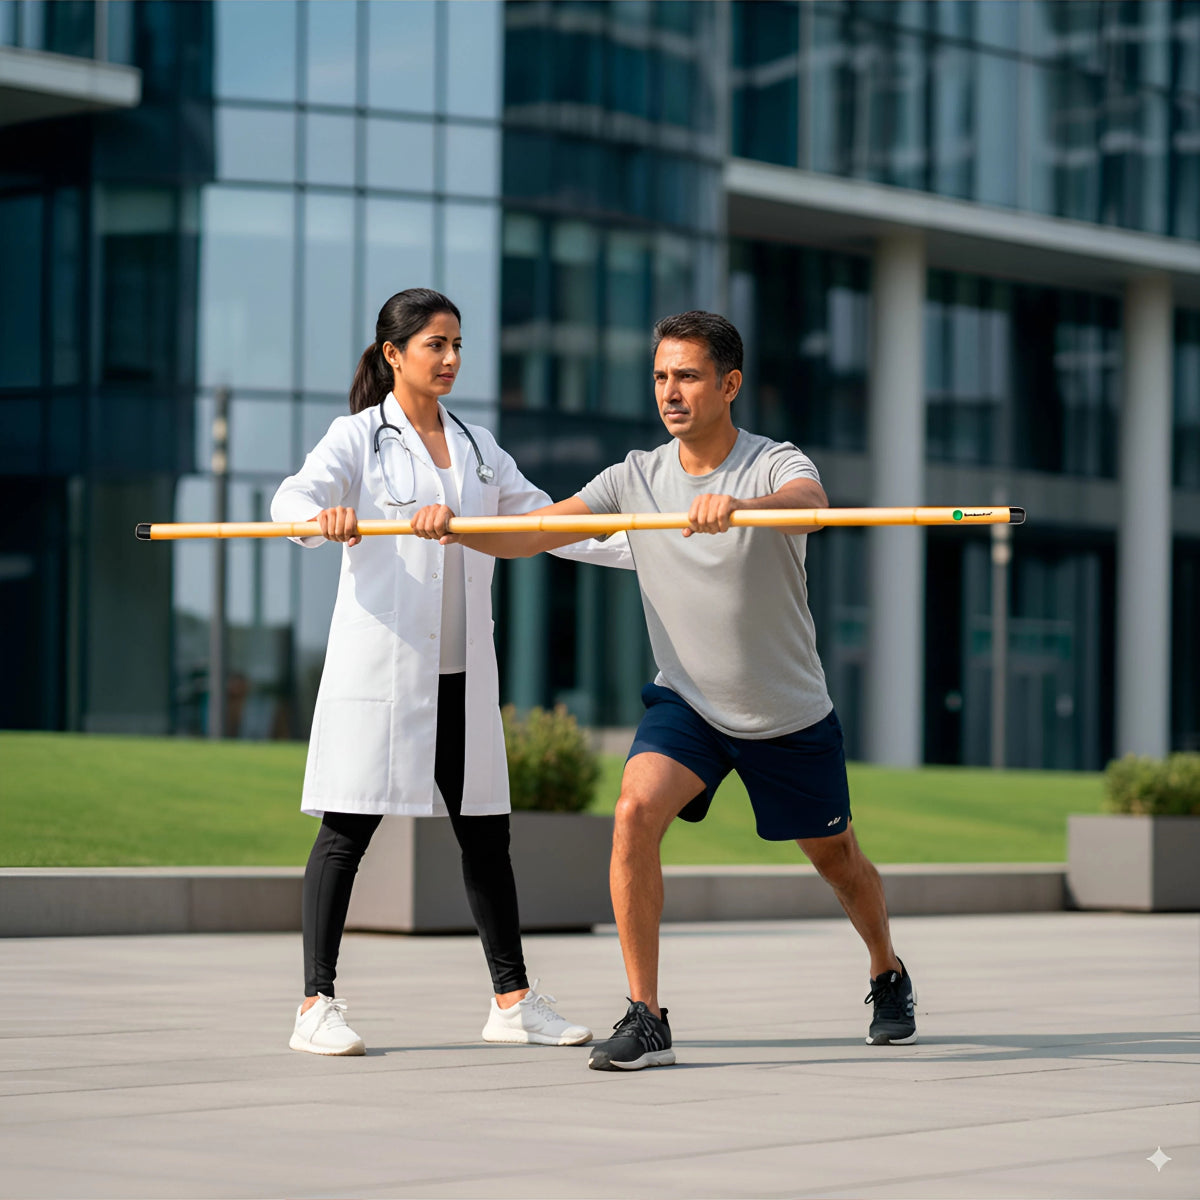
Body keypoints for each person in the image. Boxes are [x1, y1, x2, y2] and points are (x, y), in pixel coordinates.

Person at [424, 310, 917, 1071]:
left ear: (729, 384)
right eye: (660, 376)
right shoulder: (635, 476)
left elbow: (808, 507)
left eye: (687, 376)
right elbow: (535, 533)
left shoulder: (770, 461)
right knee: (633, 809)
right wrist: (455, 527)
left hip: (785, 712)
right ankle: (646, 1015)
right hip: (687, 701)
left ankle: (886, 970)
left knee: (838, 858)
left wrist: (740, 507)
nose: (671, 392)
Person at [271, 288, 631, 1056]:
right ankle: (315, 1007)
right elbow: (291, 500)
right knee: (346, 829)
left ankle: (513, 1001)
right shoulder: (357, 439)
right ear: (393, 354)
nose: (451, 359)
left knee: (487, 838)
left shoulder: (475, 444)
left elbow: (539, 524)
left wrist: (644, 545)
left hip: (460, 675)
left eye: (458, 344)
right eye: (435, 344)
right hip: (384, 670)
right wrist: (320, 520)